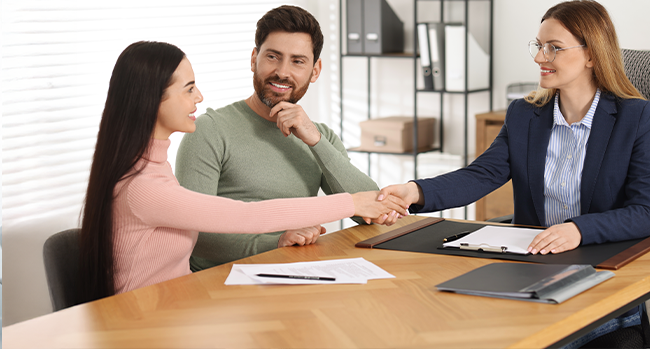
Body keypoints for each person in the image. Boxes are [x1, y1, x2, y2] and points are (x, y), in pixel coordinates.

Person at [378, 0, 650, 347]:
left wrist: (577, 230)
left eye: (553, 48)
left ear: (591, 55)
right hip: (534, 272)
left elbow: (646, 213)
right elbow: (481, 175)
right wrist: (415, 192)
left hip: (601, 272)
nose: (539, 57)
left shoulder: (635, 117)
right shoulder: (525, 115)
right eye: (538, 45)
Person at [79, 41, 407, 302]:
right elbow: (246, 217)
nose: (200, 97)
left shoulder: (151, 164)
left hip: (181, 307)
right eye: (189, 89)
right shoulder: (141, 186)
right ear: (151, 98)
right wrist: (352, 202)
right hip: (143, 326)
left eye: (298, 60)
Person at [175, 5, 397, 272]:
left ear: (315, 71)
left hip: (292, 274)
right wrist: (275, 242)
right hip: (218, 282)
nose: (282, 71)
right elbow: (194, 235)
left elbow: (370, 211)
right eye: (272, 56)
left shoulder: (320, 136)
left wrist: (314, 140)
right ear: (254, 58)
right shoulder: (209, 131)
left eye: (297, 61)